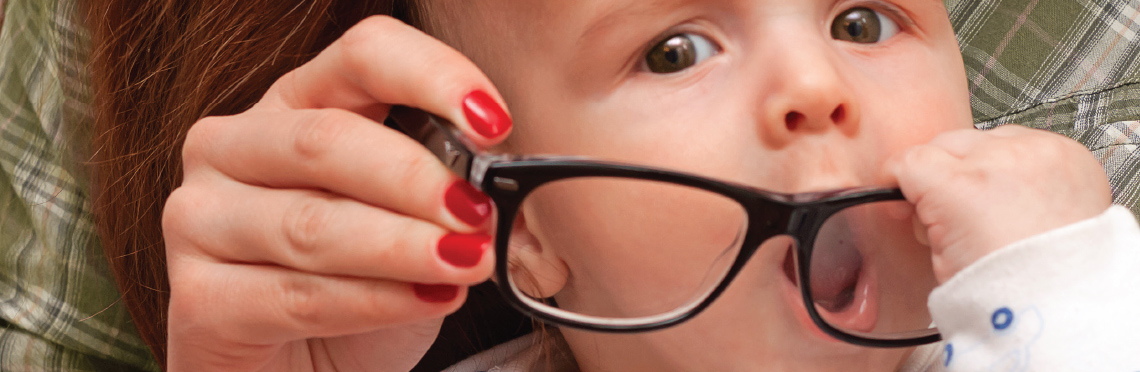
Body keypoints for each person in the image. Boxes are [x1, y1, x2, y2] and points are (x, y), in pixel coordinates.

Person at [2, 0, 1139, 371]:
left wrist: (1060, 298)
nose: (814, 82)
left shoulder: (1066, 314)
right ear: (525, 235)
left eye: (860, 19)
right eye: (675, 50)